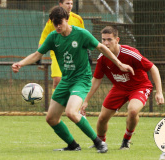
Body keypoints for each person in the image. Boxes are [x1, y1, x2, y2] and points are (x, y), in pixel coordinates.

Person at [12, 7, 134, 153]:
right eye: (55, 23)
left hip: (81, 80)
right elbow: (38, 54)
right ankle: (73, 145)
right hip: (66, 80)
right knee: (51, 118)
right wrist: (21, 63)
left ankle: (99, 143)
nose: (57, 26)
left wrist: (119, 63)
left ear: (67, 20)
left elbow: (101, 47)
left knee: (71, 112)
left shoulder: (81, 34)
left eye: (60, 23)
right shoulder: (53, 37)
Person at [80, 26, 164, 150]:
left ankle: (126, 140)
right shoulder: (102, 58)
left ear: (117, 40)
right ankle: (100, 142)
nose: (106, 43)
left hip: (139, 87)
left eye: (109, 39)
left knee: (133, 110)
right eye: (103, 40)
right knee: (102, 118)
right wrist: (85, 100)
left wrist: (159, 92)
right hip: (119, 88)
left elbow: (153, 68)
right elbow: (96, 79)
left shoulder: (130, 53)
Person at [38, 0, 91, 94]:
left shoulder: (78, 19)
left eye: (71, 3)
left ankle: (75, 105)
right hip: (58, 55)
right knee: (57, 81)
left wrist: (87, 52)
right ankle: (57, 104)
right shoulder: (52, 20)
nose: (70, 6)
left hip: (76, 56)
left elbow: (84, 38)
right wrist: (39, 56)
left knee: (76, 83)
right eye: (67, 3)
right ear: (60, 4)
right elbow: (43, 39)